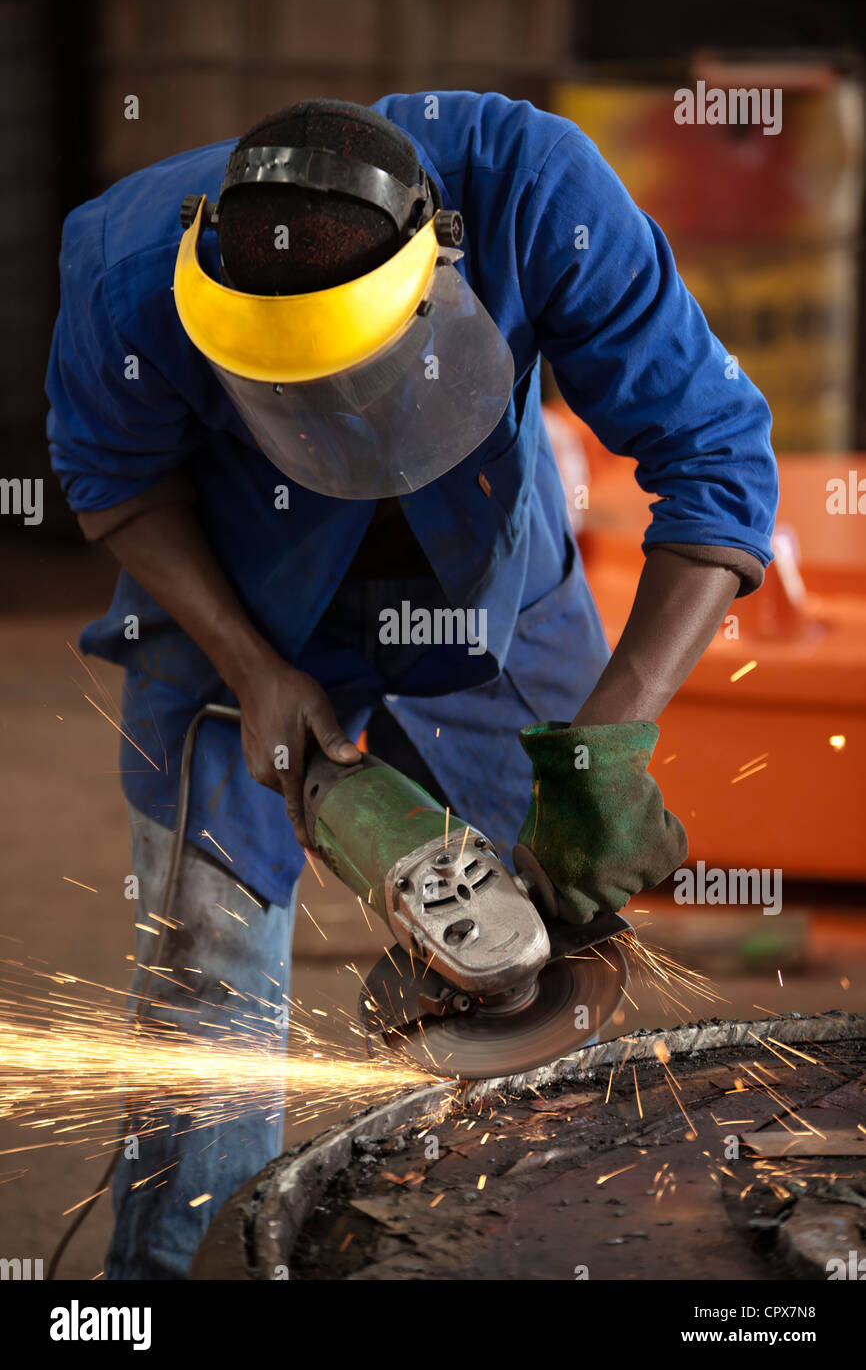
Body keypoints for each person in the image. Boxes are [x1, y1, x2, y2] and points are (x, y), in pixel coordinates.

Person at [46, 93, 778, 1278]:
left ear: (438, 258)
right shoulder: (131, 266)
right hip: (237, 606)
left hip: (491, 593)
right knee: (211, 968)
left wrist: (612, 729)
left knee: (550, 937)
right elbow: (110, 475)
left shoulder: (541, 196)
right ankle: (181, 1273)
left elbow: (712, 452)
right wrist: (252, 665)